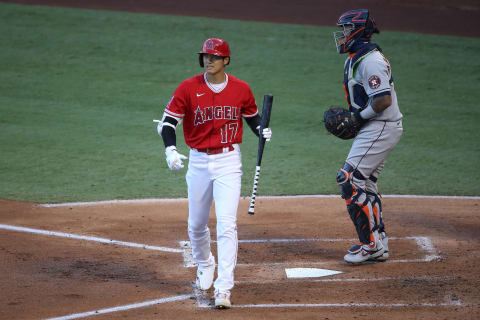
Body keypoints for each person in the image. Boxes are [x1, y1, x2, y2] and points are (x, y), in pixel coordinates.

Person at [156, 38, 272, 308]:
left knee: (227, 223)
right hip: (198, 161)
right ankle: (206, 263)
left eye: (214, 57)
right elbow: (168, 123)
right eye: (206, 56)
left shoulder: (241, 89)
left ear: (226, 60)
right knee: (196, 225)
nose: (209, 61)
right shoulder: (188, 87)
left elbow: (252, 116)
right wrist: (170, 150)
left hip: (229, 161)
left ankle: (224, 288)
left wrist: (261, 130)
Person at [332, 9, 403, 264]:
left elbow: (382, 100)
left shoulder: (370, 60)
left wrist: (357, 118)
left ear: (360, 30)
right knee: (366, 184)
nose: (343, 35)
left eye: (347, 29)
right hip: (375, 127)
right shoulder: (358, 57)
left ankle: (370, 245)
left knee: (349, 180)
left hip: (381, 126)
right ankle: (378, 242)